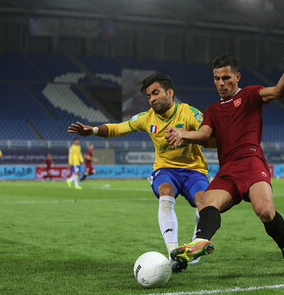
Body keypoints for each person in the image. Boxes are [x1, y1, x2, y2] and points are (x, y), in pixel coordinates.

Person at [165, 52, 284, 278]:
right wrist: (183, 134)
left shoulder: (250, 95)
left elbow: (278, 91)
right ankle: (200, 242)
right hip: (228, 168)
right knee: (205, 203)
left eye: (226, 78)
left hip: (251, 161)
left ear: (237, 76)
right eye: (216, 79)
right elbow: (205, 134)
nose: (221, 83)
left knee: (265, 211)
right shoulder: (212, 110)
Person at [68, 73, 211, 272]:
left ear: (170, 93)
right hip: (165, 169)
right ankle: (173, 251)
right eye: (148, 96)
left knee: (205, 202)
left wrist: (186, 136)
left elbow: (207, 133)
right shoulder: (146, 118)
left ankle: (195, 246)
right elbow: (118, 128)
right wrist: (91, 130)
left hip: (194, 170)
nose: (152, 98)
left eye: (156, 93)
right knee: (165, 191)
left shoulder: (189, 113)